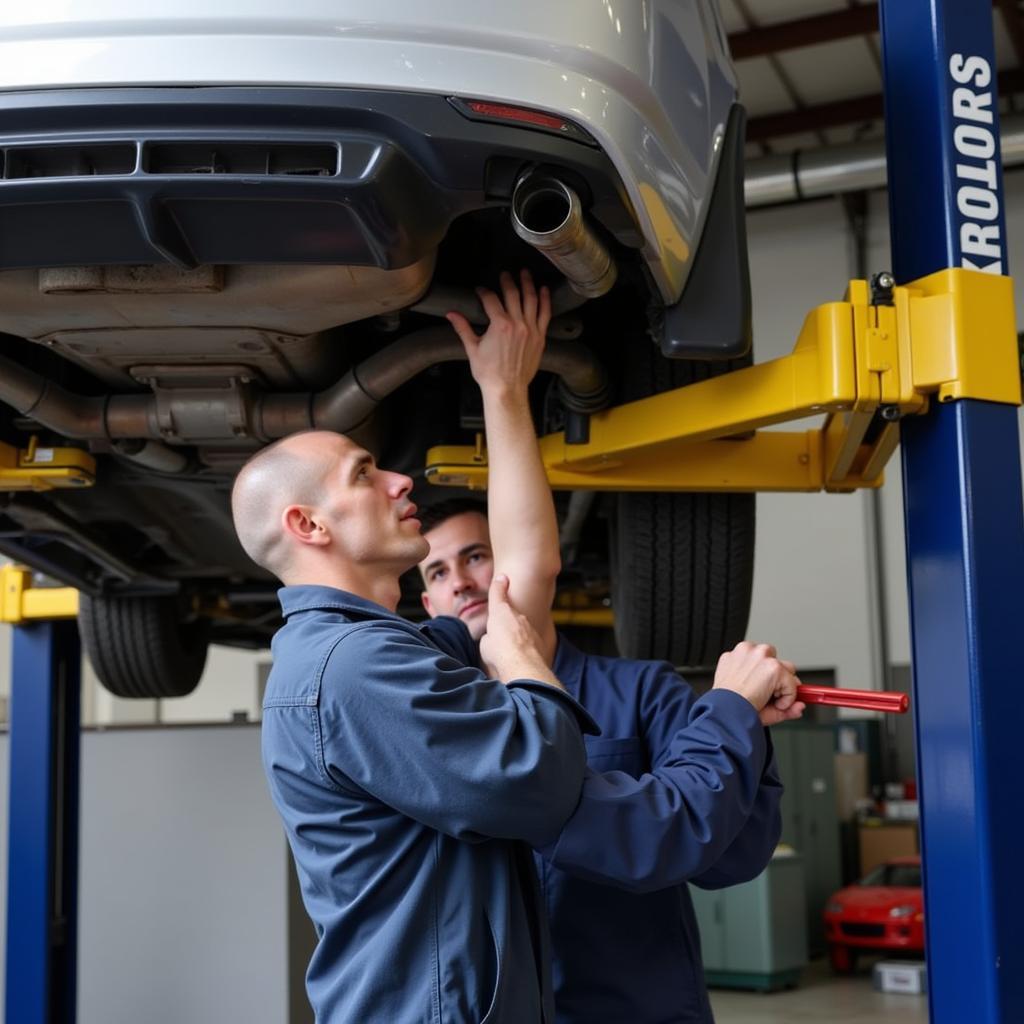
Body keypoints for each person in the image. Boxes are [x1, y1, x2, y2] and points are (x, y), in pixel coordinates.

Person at [418, 271, 804, 1023]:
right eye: (436, 571)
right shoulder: (436, 714)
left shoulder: (643, 693)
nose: (462, 582)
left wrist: (741, 728)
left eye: (475, 555)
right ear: (424, 601)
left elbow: (732, 859)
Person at [230, 275, 600, 1023]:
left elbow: (525, 580)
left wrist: (505, 390)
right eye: (365, 474)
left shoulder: (372, 652)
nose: (403, 480)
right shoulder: (354, 669)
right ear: (309, 526)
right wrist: (526, 665)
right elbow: (542, 781)